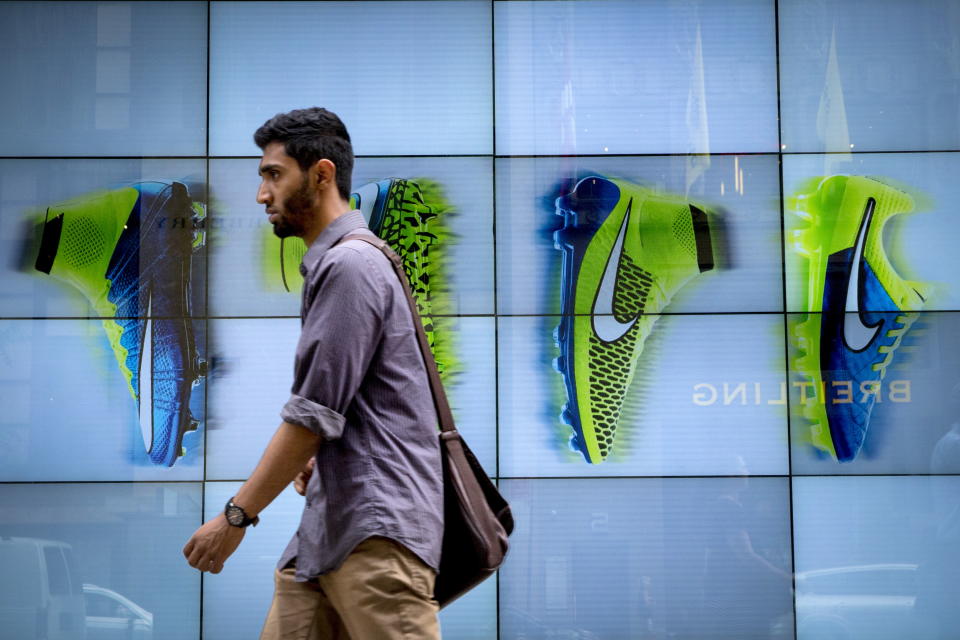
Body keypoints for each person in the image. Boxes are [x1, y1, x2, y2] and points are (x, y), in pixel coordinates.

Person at [182, 107, 444, 639]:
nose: (261, 194)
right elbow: (351, 407)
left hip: (374, 535)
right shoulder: (343, 264)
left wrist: (234, 518)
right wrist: (323, 457)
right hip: (328, 535)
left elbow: (311, 414)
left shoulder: (351, 266)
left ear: (322, 175)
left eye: (273, 175)